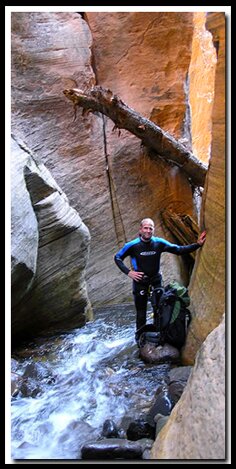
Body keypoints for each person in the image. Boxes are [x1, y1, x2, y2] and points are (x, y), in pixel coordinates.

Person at [114, 218, 206, 340]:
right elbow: (117, 257)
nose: (148, 230)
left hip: (156, 280)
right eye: (145, 228)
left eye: (150, 228)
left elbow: (178, 250)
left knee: (159, 309)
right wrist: (129, 273)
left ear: (153, 230)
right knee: (141, 312)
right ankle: (140, 339)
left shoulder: (159, 243)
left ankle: (160, 335)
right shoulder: (132, 245)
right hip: (140, 281)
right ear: (140, 229)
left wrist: (198, 244)